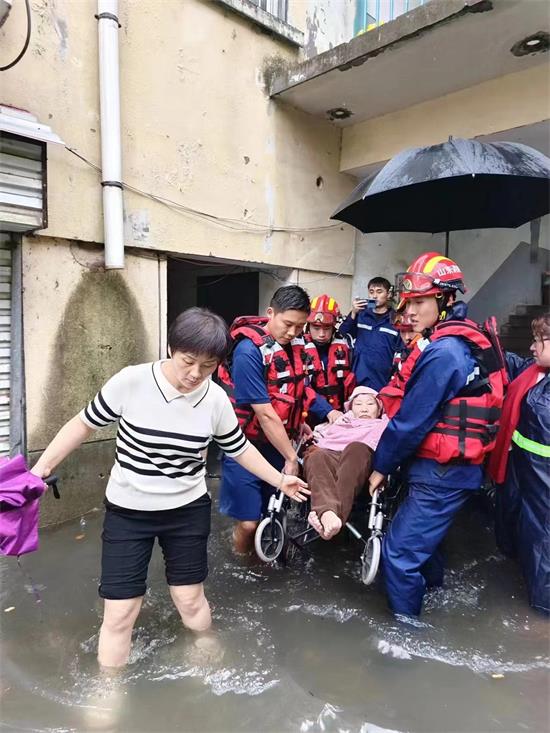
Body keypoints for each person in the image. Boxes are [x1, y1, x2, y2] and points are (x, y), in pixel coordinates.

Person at [31, 307, 309, 668]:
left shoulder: (215, 399)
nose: (195, 374)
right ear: (170, 349)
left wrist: (279, 478)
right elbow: (82, 425)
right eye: (188, 361)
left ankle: (207, 647)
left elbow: (238, 448)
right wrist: (40, 469)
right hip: (128, 512)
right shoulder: (131, 382)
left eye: (208, 365)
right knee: (120, 613)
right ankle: (107, 688)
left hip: (186, 512)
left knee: (190, 600)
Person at [368, 252, 506, 618]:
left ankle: (407, 636)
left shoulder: (445, 352)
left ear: (445, 300)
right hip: (449, 471)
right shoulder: (453, 343)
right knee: (424, 548)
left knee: (398, 556)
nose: (409, 311)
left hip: (441, 475)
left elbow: (412, 422)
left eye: (420, 302)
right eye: (407, 302)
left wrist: (380, 466)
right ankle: (433, 592)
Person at [218, 285, 338, 554]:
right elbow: (265, 412)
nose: (293, 333)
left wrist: (300, 422)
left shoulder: (295, 347)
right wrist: (291, 458)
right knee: (249, 523)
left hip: (278, 444)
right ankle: (243, 563)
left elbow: (292, 390)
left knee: (271, 513)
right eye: (287, 324)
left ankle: (265, 561)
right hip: (244, 446)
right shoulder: (248, 352)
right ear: (270, 313)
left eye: (300, 326)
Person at [489, 314, 550, 616]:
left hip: (541, 484)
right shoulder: (536, 372)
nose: (533, 346)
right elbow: (513, 366)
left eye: (540, 341)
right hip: (522, 472)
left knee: (543, 543)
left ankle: (542, 614)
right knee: (523, 531)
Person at [304, 386, 389, 540]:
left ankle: (331, 514)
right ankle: (328, 514)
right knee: (316, 455)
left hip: (361, 462)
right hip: (331, 456)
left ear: (379, 409)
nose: (364, 409)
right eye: (358, 404)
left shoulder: (384, 425)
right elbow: (317, 436)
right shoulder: (339, 423)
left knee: (356, 448)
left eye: (370, 404)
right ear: (350, 409)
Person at [339, 277, 401, 391]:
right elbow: (343, 333)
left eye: (379, 291)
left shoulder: (395, 319)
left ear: (388, 295)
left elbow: (401, 351)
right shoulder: (361, 315)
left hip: (383, 381)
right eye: (371, 292)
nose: (374, 296)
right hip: (358, 378)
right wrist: (353, 313)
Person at [303, 294, 355, 421]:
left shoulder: (346, 346)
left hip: (341, 414)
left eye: (327, 328)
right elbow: (300, 387)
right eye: (316, 328)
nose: (321, 334)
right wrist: (327, 410)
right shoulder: (297, 349)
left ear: (334, 327)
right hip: (308, 417)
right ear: (308, 326)